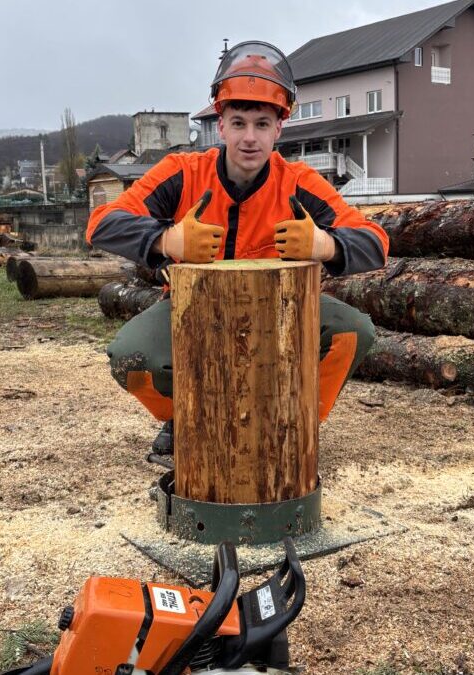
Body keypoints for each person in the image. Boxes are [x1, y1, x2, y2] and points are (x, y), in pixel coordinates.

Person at [86, 41, 389, 454]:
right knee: (131, 357)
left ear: (279, 129)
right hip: (192, 307)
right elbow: (102, 223)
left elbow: (375, 240)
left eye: (262, 124)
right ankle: (184, 422)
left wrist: (324, 243)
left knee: (352, 332)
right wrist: (167, 239)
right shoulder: (182, 173)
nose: (250, 137)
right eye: (239, 122)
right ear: (221, 124)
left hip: (280, 310)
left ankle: (295, 424)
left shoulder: (299, 182)